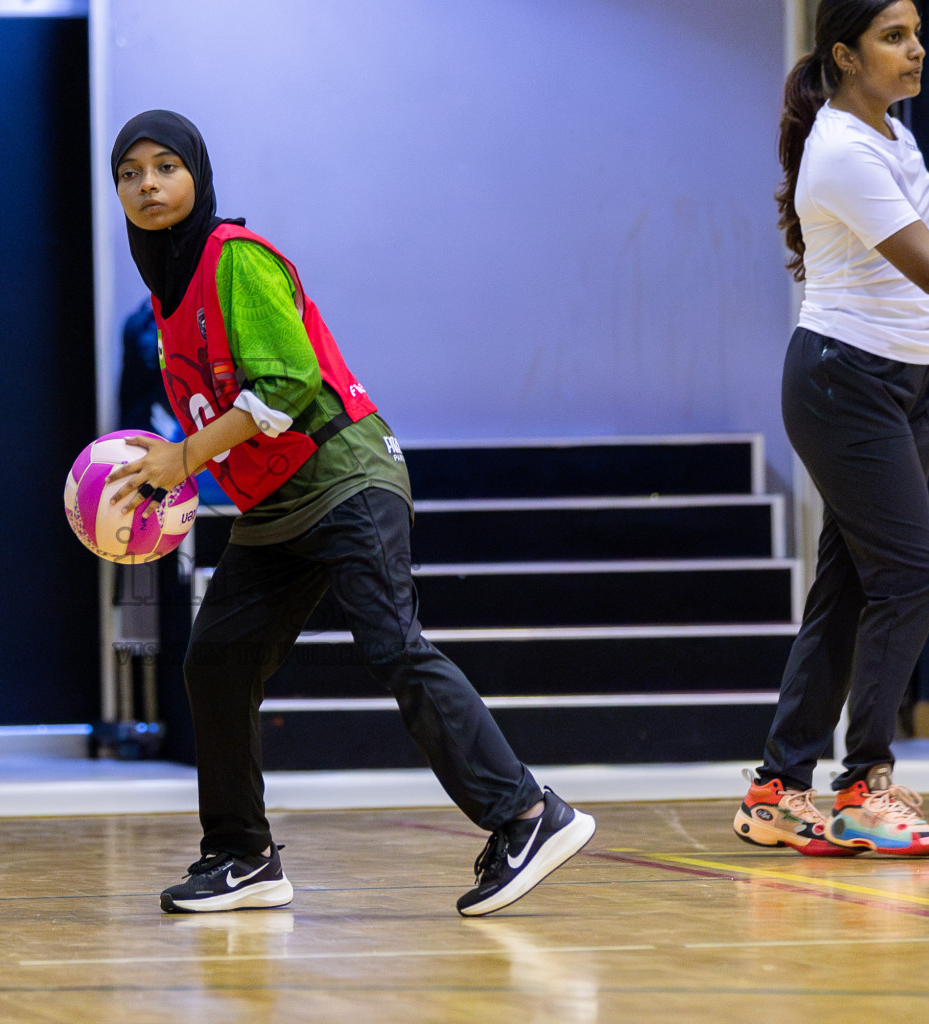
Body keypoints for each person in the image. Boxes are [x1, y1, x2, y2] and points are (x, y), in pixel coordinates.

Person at [105, 109, 596, 917]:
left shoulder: (236, 258)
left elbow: (289, 386)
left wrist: (183, 456)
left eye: (165, 166)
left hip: (345, 475)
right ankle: (242, 855)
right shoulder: (164, 302)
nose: (149, 184)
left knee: (392, 645)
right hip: (275, 504)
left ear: (197, 174)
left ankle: (528, 814)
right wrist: (166, 484)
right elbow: (221, 416)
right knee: (216, 657)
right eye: (131, 173)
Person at [734, 0, 929, 858]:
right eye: (894, 37)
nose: (916, 50)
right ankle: (863, 786)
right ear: (845, 54)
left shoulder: (894, 138)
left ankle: (777, 791)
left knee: (854, 589)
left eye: (918, 34)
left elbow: (913, 295)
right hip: (842, 382)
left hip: (903, 384)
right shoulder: (842, 149)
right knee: (915, 576)